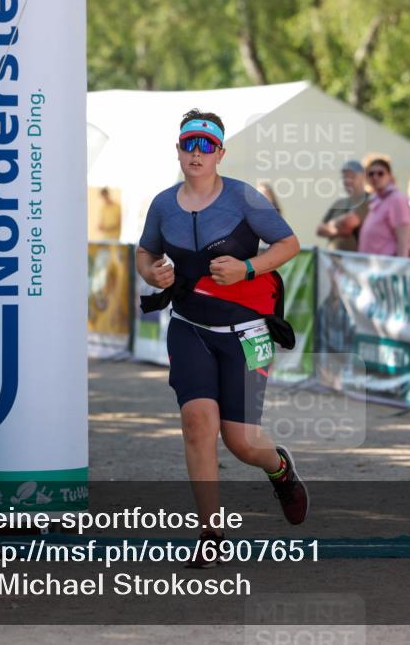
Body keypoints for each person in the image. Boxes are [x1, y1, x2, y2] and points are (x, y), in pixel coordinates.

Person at [136, 109, 308, 567]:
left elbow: (289, 244)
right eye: (189, 144)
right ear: (178, 151)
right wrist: (151, 273)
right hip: (190, 327)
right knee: (197, 423)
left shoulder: (244, 197)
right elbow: (145, 251)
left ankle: (280, 469)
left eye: (206, 146)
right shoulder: (163, 204)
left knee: (242, 441)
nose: (196, 153)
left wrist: (247, 268)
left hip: (247, 331)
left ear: (220, 154)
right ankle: (211, 534)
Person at [358, 156, 410, 257]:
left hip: (388, 263)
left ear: (389, 176)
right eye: (371, 174)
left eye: (380, 173)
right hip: (372, 263)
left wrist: (401, 264)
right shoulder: (376, 200)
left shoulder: (397, 199)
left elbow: (403, 240)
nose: (375, 177)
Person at [316, 160, 370, 251]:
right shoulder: (339, 203)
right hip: (332, 257)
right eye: (345, 177)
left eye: (351, 176)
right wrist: (337, 227)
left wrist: (331, 225)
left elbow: (347, 225)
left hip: (355, 257)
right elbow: (319, 229)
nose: (347, 180)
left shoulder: (369, 200)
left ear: (363, 177)